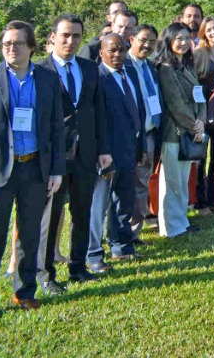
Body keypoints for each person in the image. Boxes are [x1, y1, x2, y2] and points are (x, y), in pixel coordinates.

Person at [0, 21, 64, 322]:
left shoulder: (47, 79)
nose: (11, 48)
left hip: (35, 168)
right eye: (6, 43)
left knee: (30, 235)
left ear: (31, 46)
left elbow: (56, 128)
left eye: (18, 43)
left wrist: (56, 170)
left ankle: (24, 292)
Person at [36, 15, 108, 296]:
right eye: (65, 35)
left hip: (86, 154)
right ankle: (46, 275)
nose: (70, 41)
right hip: (54, 156)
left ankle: (78, 268)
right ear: (53, 37)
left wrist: (104, 149)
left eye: (76, 36)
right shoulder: (39, 71)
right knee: (50, 217)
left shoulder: (90, 69)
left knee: (82, 213)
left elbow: (98, 110)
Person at [88, 34, 142, 271]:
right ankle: (93, 254)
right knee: (98, 206)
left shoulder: (129, 73)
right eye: (112, 50)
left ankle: (121, 245)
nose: (118, 54)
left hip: (129, 148)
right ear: (101, 53)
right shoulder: (97, 78)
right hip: (107, 153)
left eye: (122, 50)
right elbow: (95, 120)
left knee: (123, 201)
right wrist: (103, 151)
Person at [152, 22, 206, 236]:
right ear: (169, 41)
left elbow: (200, 97)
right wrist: (194, 126)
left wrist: (201, 120)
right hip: (174, 133)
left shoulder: (188, 65)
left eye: (187, 38)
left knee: (183, 180)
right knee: (173, 182)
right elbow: (175, 103)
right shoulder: (165, 68)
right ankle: (172, 227)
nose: (184, 43)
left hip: (190, 131)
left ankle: (181, 221)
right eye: (179, 39)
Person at [124, 24, 163, 236]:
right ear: (132, 39)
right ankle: (115, 233)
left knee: (141, 184)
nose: (147, 45)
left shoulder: (150, 67)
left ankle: (133, 233)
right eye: (143, 40)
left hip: (150, 133)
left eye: (151, 42)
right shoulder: (123, 65)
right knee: (123, 187)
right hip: (129, 137)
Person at [192, 17, 214, 213]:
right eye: (210, 30)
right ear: (204, 33)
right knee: (200, 159)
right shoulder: (199, 54)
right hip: (204, 113)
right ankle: (200, 201)